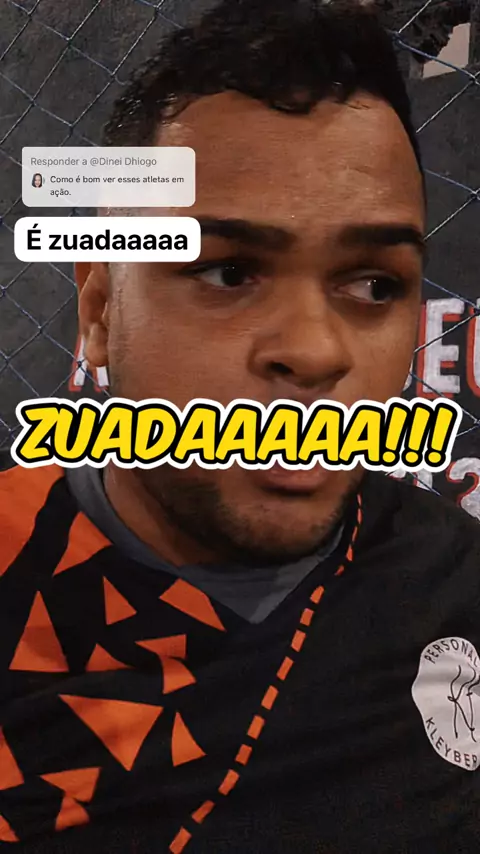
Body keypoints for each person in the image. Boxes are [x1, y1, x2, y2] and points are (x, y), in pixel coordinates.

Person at [1, 0, 480, 851]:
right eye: (228, 272)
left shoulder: (457, 581)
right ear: (101, 308)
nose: (315, 351)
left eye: (373, 284)